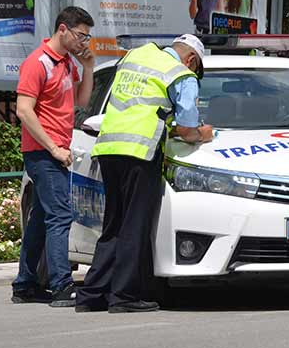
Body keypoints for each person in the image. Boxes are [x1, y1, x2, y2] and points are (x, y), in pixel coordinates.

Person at [76, 34, 214, 314]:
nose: (194, 76)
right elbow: (188, 131)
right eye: (197, 71)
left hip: (108, 147)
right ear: (191, 60)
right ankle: (125, 296)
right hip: (140, 151)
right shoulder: (180, 74)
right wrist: (204, 133)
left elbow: (137, 105)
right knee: (135, 225)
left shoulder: (135, 56)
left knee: (114, 224)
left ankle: (92, 293)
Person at [11, 6, 95, 307]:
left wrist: (88, 68)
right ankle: (61, 285)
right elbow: (24, 110)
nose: (84, 42)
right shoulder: (38, 63)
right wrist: (53, 148)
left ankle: (25, 284)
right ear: (63, 29)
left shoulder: (67, 64)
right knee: (60, 215)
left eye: (87, 37)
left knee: (41, 219)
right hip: (43, 153)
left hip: (57, 153)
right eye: (80, 35)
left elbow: (81, 102)